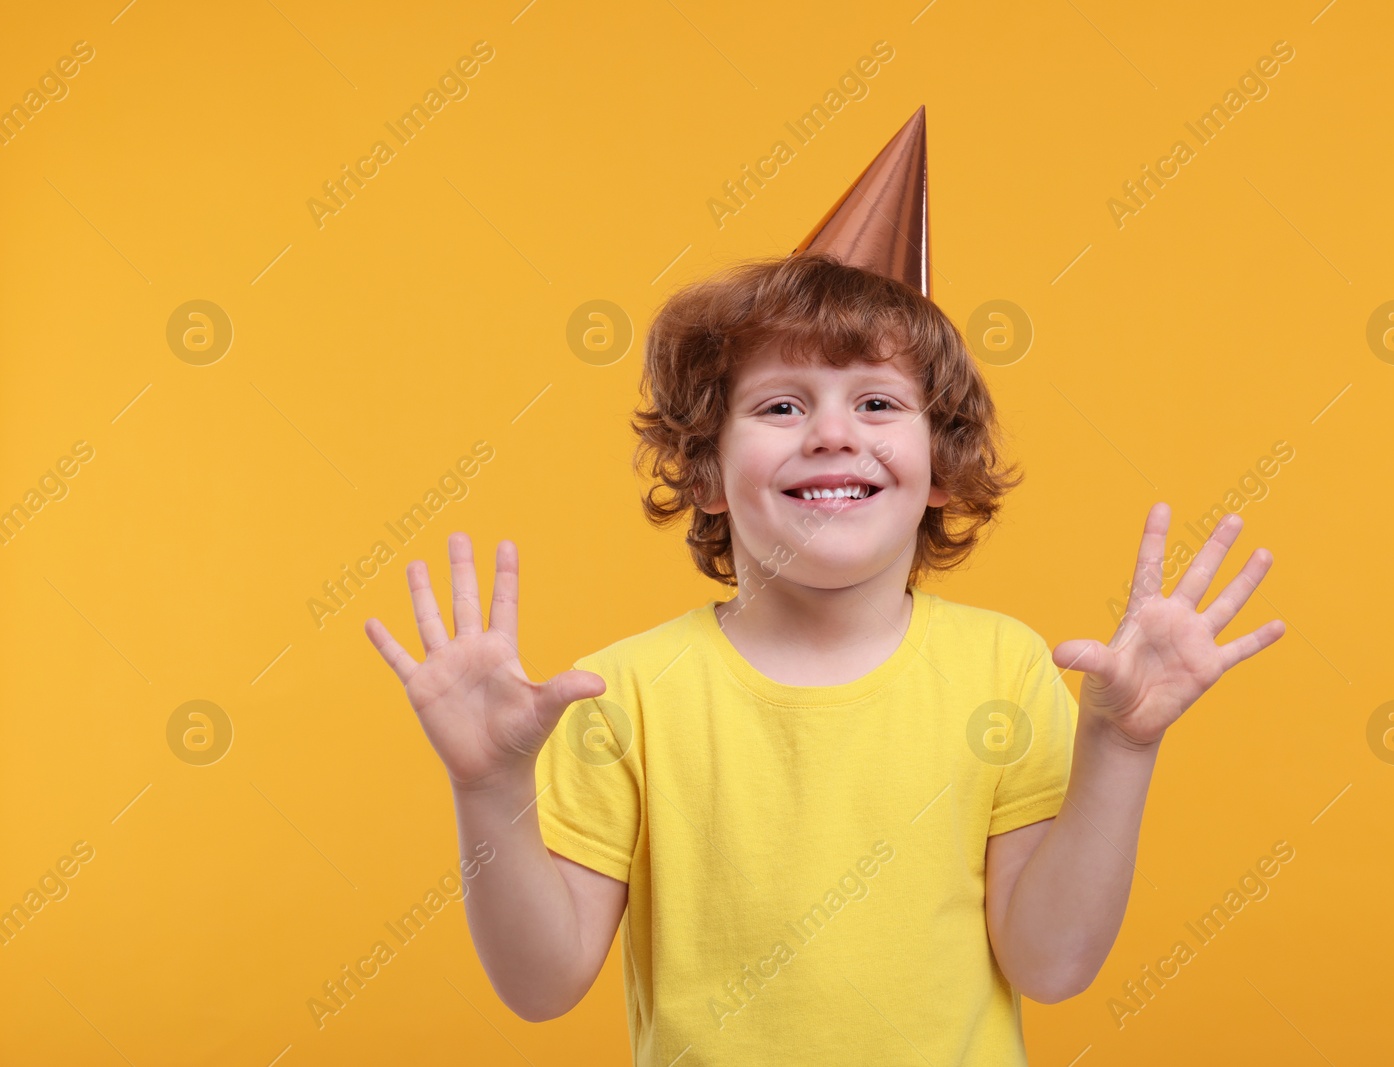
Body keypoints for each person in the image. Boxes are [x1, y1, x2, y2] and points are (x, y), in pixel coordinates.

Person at [364, 110, 1284, 1065]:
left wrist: (1122, 745)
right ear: (709, 474)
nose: (834, 433)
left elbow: (1050, 963)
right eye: (781, 404)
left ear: (941, 463)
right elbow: (541, 984)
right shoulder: (622, 696)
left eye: (878, 402)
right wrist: (488, 786)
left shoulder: (1006, 669)